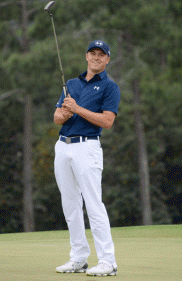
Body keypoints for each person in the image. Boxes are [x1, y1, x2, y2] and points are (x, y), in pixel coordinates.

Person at [53, 40, 121, 276]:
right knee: (70, 205)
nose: (96, 58)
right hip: (63, 147)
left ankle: (108, 261)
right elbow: (57, 117)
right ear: (86, 56)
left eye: (101, 55)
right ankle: (79, 258)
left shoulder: (110, 87)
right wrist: (64, 111)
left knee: (93, 204)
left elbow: (108, 121)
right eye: (93, 53)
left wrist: (78, 108)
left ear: (107, 60)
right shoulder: (71, 84)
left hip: (87, 147)